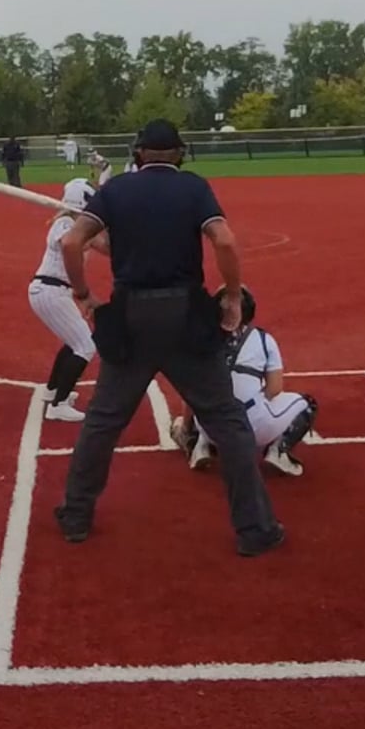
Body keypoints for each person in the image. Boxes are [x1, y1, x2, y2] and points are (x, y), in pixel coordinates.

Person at [53, 118, 283, 557]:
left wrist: (83, 295)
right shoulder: (193, 187)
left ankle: (76, 515)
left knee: (103, 422)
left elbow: (71, 244)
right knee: (227, 421)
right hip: (186, 316)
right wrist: (234, 296)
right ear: (179, 153)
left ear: (138, 153)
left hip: (131, 316)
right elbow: (224, 241)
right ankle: (255, 528)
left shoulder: (117, 190)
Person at [171, 288, 317, 477]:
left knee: (204, 394)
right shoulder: (263, 340)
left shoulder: (203, 339)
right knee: (307, 404)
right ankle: (278, 451)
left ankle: (199, 444)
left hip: (211, 428)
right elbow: (274, 389)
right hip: (251, 429)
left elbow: (191, 392)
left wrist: (185, 428)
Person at [28, 177, 109, 423]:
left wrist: (110, 225)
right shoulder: (64, 223)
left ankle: (53, 390)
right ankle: (59, 405)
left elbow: (107, 248)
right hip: (49, 290)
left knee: (73, 340)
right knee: (85, 345)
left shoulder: (76, 225)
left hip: (55, 291)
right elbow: (68, 244)